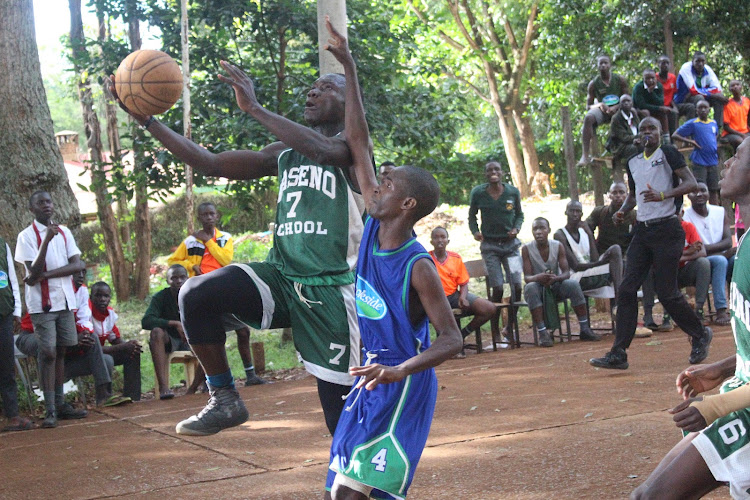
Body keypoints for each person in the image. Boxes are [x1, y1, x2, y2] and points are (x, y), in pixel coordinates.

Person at [111, 27, 365, 436]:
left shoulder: (355, 152)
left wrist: (255, 109)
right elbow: (211, 163)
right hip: (281, 277)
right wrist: (148, 122)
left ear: (349, 101)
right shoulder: (284, 154)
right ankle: (225, 397)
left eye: (325, 88)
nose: (312, 93)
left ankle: (372, 487)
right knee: (195, 293)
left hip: (331, 291)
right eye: (311, 88)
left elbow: (324, 150)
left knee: (342, 418)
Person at [323, 21, 462, 499]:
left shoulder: (417, 265)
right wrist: (350, 68)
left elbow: (452, 339)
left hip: (401, 385)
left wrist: (401, 370)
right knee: (340, 493)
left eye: (387, 184)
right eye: (377, 181)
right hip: (370, 380)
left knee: (350, 495)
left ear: (407, 205)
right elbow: (358, 142)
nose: (376, 185)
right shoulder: (373, 228)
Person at [630, 136, 750, 500]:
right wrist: (725, 368)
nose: (726, 163)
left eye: (738, 155)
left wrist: (716, 405)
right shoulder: (744, 242)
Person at [589, 117, 712, 370]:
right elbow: (634, 195)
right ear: (638, 133)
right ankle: (618, 352)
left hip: (668, 228)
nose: (647, 133)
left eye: (651, 129)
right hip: (643, 232)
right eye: (643, 129)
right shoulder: (633, 160)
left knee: (667, 292)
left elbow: (691, 183)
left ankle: (700, 334)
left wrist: (663, 195)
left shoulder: (668, 152)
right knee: (626, 289)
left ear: (659, 133)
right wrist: (623, 210)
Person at [167, 202, 265, 387]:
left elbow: (225, 259)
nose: (209, 217)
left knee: (243, 330)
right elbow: (173, 261)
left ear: (217, 216)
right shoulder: (190, 241)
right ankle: (211, 381)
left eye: (212, 214)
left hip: (223, 286)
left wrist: (207, 241)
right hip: (200, 287)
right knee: (209, 333)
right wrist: (190, 266)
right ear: (199, 217)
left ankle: (250, 375)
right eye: (205, 215)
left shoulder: (224, 238)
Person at [14, 191, 86, 428]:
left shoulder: (64, 232)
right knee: (48, 353)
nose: (47, 205)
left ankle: (61, 403)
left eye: (49, 202)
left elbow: (78, 264)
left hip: (64, 301)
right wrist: (45, 240)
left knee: (63, 351)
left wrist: (45, 275)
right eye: (41, 203)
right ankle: (50, 408)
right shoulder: (26, 237)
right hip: (42, 306)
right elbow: (31, 271)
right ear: (32, 208)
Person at [15, 268, 131, 407]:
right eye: (76, 273)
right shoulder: (55, 290)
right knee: (49, 343)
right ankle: (52, 404)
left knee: (101, 353)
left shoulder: (81, 291)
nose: (80, 276)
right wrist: (76, 338)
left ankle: (103, 396)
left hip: (64, 343)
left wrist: (85, 334)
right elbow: (49, 327)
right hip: (32, 335)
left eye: (82, 272)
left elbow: (84, 320)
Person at [522, 217, 600, 347]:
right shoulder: (526, 249)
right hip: (538, 288)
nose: (539, 232)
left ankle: (584, 328)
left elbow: (566, 273)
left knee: (573, 284)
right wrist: (539, 277)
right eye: (535, 229)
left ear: (549, 230)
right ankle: (543, 333)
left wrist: (555, 278)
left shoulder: (557, 246)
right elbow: (527, 277)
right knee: (530, 287)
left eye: (542, 228)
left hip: (555, 285)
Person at [468, 161, 524, 338]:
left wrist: (516, 229)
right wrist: (475, 232)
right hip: (490, 246)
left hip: (511, 246)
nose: (493, 172)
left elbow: (520, 215)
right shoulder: (478, 193)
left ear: (502, 173)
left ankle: (510, 327)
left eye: (496, 169)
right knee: (498, 287)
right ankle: (494, 328)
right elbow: (471, 216)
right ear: (485, 174)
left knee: (516, 286)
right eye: (489, 170)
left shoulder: (512, 192)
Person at [429, 226, 497, 357]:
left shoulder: (455, 258)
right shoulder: (426, 259)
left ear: (448, 240)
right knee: (443, 314)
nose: (440, 240)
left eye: (443, 237)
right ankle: (449, 346)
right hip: (435, 299)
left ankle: (461, 335)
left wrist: (463, 297)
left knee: (488, 308)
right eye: (436, 237)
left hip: (453, 295)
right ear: (431, 241)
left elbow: (464, 283)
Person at [142, 264, 207, 399]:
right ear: (167, 281)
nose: (178, 281)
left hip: (192, 339)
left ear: (187, 278)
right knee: (156, 333)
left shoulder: (194, 295)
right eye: (174, 278)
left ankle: (193, 388)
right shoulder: (161, 297)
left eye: (182, 277)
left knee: (210, 340)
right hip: (171, 340)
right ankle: (164, 388)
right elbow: (146, 321)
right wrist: (174, 323)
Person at [683, 182, 732, 326]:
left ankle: (741, 306)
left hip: (723, 257)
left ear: (708, 193)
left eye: (703, 190)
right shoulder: (686, 216)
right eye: (694, 192)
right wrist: (720, 251)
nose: (699, 194)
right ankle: (721, 309)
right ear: (688, 196)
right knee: (720, 260)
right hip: (702, 262)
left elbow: (728, 241)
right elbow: (696, 249)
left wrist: (708, 248)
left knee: (738, 260)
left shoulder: (720, 211)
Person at [554, 200, 622, 299]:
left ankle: (618, 300)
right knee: (616, 271)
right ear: (566, 212)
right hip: (575, 276)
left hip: (590, 269)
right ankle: (619, 299)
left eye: (578, 211)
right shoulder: (560, 235)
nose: (575, 214)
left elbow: (594, 259)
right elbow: (576, 266)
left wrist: (590, 234)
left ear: (582, 214)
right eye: (572, 211)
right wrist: (601, 263)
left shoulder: (584, 231)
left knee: (616, 250)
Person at [89, 281, 142, 402]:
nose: (102, 299)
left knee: (133, 352)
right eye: (98, 295)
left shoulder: (110, 314)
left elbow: (115, 339)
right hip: (89, 355)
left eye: (106, 296)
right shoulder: (86, 314)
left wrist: (130, 346)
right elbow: (93, 348)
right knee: (105, 359)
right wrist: (123, 347)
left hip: (102, 352)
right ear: (90, 297)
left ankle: (132, 398)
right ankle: (105, 399)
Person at [0, 234, 32, 432]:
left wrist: (16, 309)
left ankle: (12, 415)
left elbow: (11, 277)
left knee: (6, 366)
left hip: (3, 312)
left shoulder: (3, 245)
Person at [579, 54, 630, 166]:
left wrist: (617, 107)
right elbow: (588, 106)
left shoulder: (619, 80)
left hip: (619, 109)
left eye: (605, 63)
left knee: (633, 113)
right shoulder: (593, 84)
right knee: (588, 117)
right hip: (603, 111)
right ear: (597, 66)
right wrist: (600, 105)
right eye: (600, 63)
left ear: (610, 65)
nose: (603, 65)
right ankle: (585, 155)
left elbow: (628, 99)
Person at [673, 99, 721, 205]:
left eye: (705, 108)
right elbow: (675, 135)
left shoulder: (713, 123)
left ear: (709, 110)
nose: (703, 110)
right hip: (699, 161)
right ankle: (700, 212)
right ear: (696, 110)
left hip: (713, 161)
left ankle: (714, 213)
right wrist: (691, 141)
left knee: (713, 190)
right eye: (700, 108)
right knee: (699, 189)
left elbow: (715, 136)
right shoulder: (693, 123)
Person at [674, 52, 728, 129]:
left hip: (698, 96)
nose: (700, 64)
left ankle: (716, 128)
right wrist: (711, 93)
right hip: (683, 99)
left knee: (719, 99)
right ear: (692, 61)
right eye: (697, 61)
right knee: (699, 98)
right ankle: (700, 126)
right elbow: (694, 90)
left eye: (702, 61)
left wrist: (709, 93)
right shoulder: (686, 68)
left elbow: (717, 89)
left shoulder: (707, 69)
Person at [586, 181, 637, 255]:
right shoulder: (600, 212)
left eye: (622, 192)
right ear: (609, 195)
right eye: (614, 193)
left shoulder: (635, 216)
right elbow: (585, 229)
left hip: (626, 256)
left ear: (627, 195)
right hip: (603, 254)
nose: (618, 195)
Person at [655, 54, 695, 135]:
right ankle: (672, 139)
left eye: (667, 63)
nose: (665, 65)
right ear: (658, 64)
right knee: (672, 113)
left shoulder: (672, 77)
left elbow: (673, 95)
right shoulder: (654, 78)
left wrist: (674, 106)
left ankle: (688, 134)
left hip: (671, 104)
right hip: (660, 106)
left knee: (690, 107)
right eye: (663, 63)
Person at [632, 69, 670, 144]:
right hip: (638, 109)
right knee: (646, 112)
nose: (650, 80)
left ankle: (666, 139)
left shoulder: (659, 86)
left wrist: (651, 92)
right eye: (647, 78)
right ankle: (646, 139)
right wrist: (658, 108)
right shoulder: (638, 87)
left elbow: (660, 102)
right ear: (643, 79)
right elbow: (641, 105)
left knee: (664, 113)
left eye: (652, 78)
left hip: (654, 108)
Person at [605, 95, 639, 170]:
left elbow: (640, 129)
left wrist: (642, 137)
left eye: (628, 101)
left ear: (632, 103)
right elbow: (624, 138)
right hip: (621, 147)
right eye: (623, 102)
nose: (626, 103)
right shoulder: (616, 118)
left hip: (635, 141)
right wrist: (638, 138)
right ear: (620, 105)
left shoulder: (633, 114)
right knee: (639, 148)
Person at [722, 79, 750, 151]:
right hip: (731, 133)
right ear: (730, 89)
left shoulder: (747, 101)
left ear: (741, 87)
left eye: (737, 85)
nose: (735, 87)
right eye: (732, 86)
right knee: (742, 142)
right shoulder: (727, 105)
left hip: (745, 131)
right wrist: (741, 134)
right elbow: (726, 127)